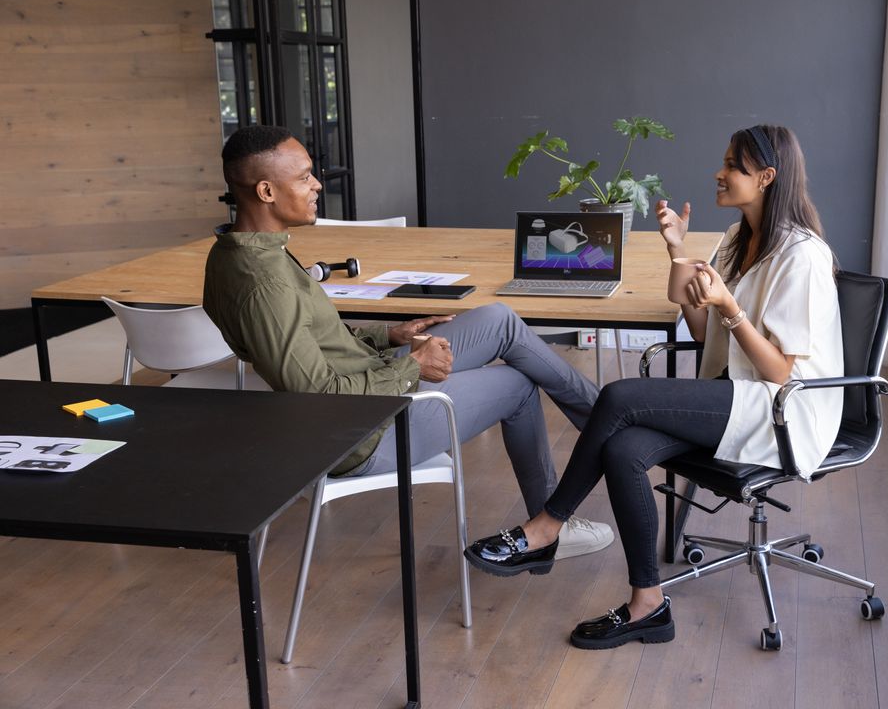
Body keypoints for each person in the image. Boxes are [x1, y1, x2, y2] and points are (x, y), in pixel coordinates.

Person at [464, 125, 843, 649]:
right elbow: (704, 333)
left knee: (620, 397)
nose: (719, 171)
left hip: (780, 411)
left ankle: (546, 527)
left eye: (732, 165)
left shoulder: (802, 255)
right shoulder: (737, 240)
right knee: (621, 450)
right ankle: (649, 605)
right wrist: (676, 251)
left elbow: (780, 372)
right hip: (730, 394)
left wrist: (730, 307)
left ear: (767, 177)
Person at [202, 125, 614, 559]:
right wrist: (412, 366)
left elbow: (306, 339)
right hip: (360, 432)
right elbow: (316, 393)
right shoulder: (264, 283)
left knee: (498, 318)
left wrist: (387, 335)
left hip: (366, 378)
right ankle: (552, 527)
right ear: (266, 191)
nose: (317, 184)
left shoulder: (238, 251)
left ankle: (609, 421)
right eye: (304, 176)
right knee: (517, 385)